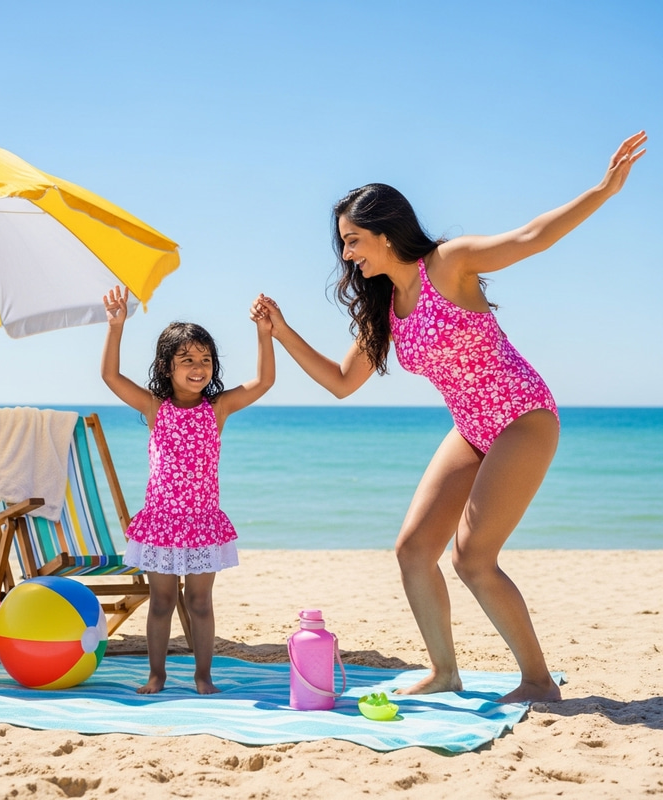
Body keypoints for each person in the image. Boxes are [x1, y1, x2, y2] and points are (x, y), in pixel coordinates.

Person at [252, 132, 646, 703]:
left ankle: (537, 681)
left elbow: (531, 237)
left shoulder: (449, 264)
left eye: (354, 240)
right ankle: (445, 673)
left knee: (471, 557)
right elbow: (341, 384)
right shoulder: (385, 308)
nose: (347, 254)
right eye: (343, 244)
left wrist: (602, 190)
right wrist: (282, 331)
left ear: (386, 233)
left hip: (523, 417)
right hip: (472, 427)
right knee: (413, 551)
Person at [102, 286, 275, 694]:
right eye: (187, 361)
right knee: (161, 602)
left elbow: (265, 381)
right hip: (161, 523)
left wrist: (263, 334)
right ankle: (156, 675)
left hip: (202, 522)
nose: (198, 368)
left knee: (200, 603)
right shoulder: (153, 408)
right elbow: (110, 376)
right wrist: (116, 327)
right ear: (166, 367)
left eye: (205, 360)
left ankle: (203, 676)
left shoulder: (217, 409)